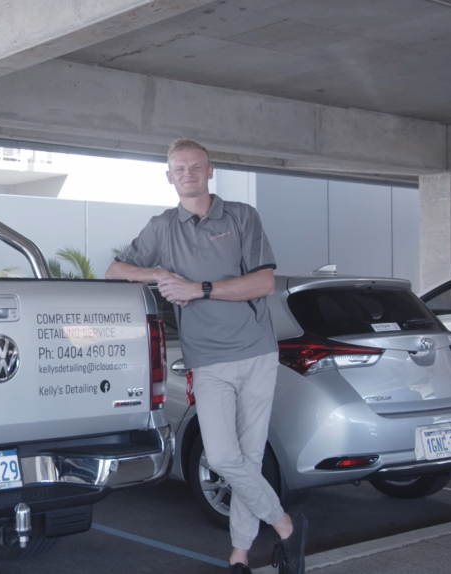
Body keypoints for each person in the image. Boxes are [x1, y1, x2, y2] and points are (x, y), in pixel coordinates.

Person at [106, 139, 308, 574]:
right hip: (208, 361)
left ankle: (238, 556)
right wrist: (156, 272)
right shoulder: (162, 228)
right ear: (169, 176)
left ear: (210, 170)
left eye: (196, 167)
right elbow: (115, 271)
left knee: (248, 460)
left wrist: (199, 289)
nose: (188, 174)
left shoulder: (240, 217)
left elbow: (263, 284)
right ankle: (287, 526)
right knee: (222, 457)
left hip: (255, 353)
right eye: (179, 169)